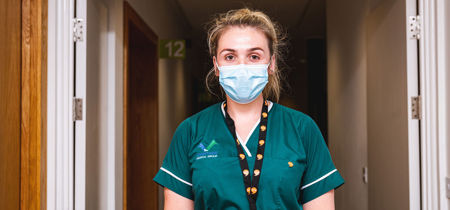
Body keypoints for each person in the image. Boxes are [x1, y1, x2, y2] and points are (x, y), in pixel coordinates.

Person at [153, 8, 344, 210]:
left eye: (254, 56)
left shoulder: (302, 129)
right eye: (229, 57)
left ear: (271, 64)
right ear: (216, 66)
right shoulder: (191, 131)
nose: (242, 66)